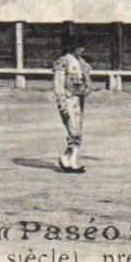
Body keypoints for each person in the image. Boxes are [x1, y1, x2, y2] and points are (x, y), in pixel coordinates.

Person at [52, 36, 95, 172]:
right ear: (73, 47)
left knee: (78, 130)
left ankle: (69, 160)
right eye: (80, 47)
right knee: (73, 130)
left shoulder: (80, 62)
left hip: (78, 99)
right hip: (68, 99)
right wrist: (62, 104)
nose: (82, 49)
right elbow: (59, 86)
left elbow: (86, 80)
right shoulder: (62, 62)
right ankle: (68, 159)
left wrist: (87, 89)